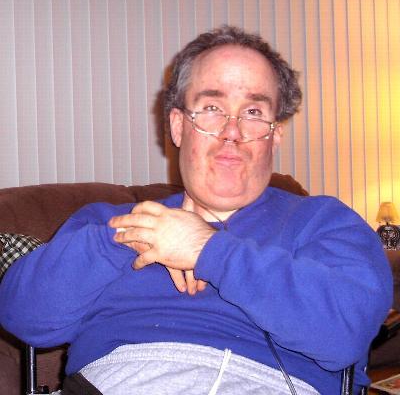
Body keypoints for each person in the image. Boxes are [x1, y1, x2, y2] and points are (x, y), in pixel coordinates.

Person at [0, 26, 393, 395]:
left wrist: (208, 250)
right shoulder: (108, 224)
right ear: (177, 126)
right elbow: (26, 317)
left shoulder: (326, 222)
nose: (232, 132)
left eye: (253, 112)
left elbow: (348, 332)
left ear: (275, 136)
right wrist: (135, 234)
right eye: (211, 108)